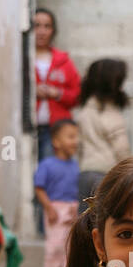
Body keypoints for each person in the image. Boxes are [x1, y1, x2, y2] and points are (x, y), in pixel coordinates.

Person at [73, 58, 131, 214]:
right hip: (106, 174)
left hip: (85, 173)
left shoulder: (84, 112)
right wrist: (129, 173)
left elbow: (79, 147)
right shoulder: (110, 113)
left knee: (85, 221)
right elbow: (121, 149)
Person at [34, 119, 80, 267]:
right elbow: (39, 188)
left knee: (70, 243)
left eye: (77, 137)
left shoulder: (76, 166)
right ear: (56, 141)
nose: (75, 141)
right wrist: (49, 208)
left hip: (72, 208)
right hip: (55, 207)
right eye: (71, 136)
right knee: (55, 242)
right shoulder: (47, 165)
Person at [33, 9, 81, 163]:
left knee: (52, 174)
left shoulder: (64, 61)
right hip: (27, 127)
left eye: (47, 26)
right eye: (37, 25)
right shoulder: (21, 57)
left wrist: (57, 93)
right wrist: (31, 92)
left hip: (55, 130)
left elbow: (77, 96)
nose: (41, 31)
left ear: (53, 30)